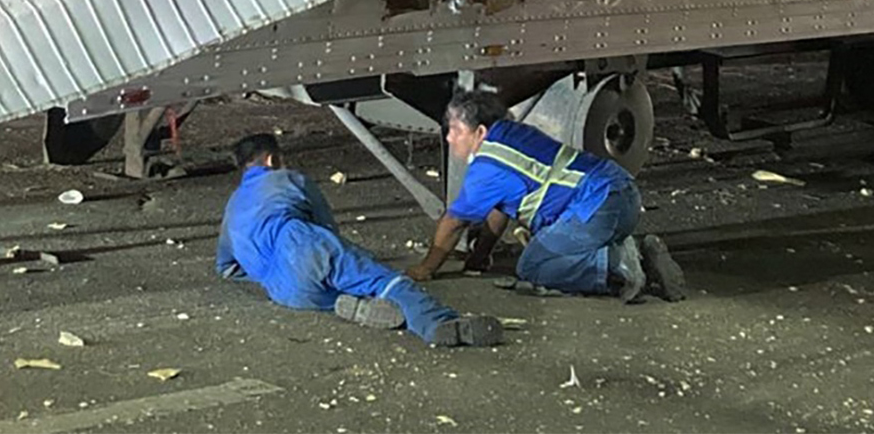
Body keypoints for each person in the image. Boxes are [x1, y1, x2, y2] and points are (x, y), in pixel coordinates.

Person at [217, 133, 502, 348]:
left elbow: (226, 268)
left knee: (331, 286)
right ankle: (438, 323)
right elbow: (326, 227)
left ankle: (353, 304)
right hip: (304, 246)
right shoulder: (289, 178)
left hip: (284, 292)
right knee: (386, 282)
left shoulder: (231, 206)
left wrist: (267, 272)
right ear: (272, 160)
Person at [407, 87, 686, 303]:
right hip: (621, 193)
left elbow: (454, 221)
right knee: (548, 249)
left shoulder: (487, 167)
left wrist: (426, 267)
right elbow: (500, 207)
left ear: (479, 131)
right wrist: (480, 255)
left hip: (596, 208)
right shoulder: (513, 133)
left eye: (455, 130)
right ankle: (626, 254)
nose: (449, 138)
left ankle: (625, 265)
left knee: (535, 267)